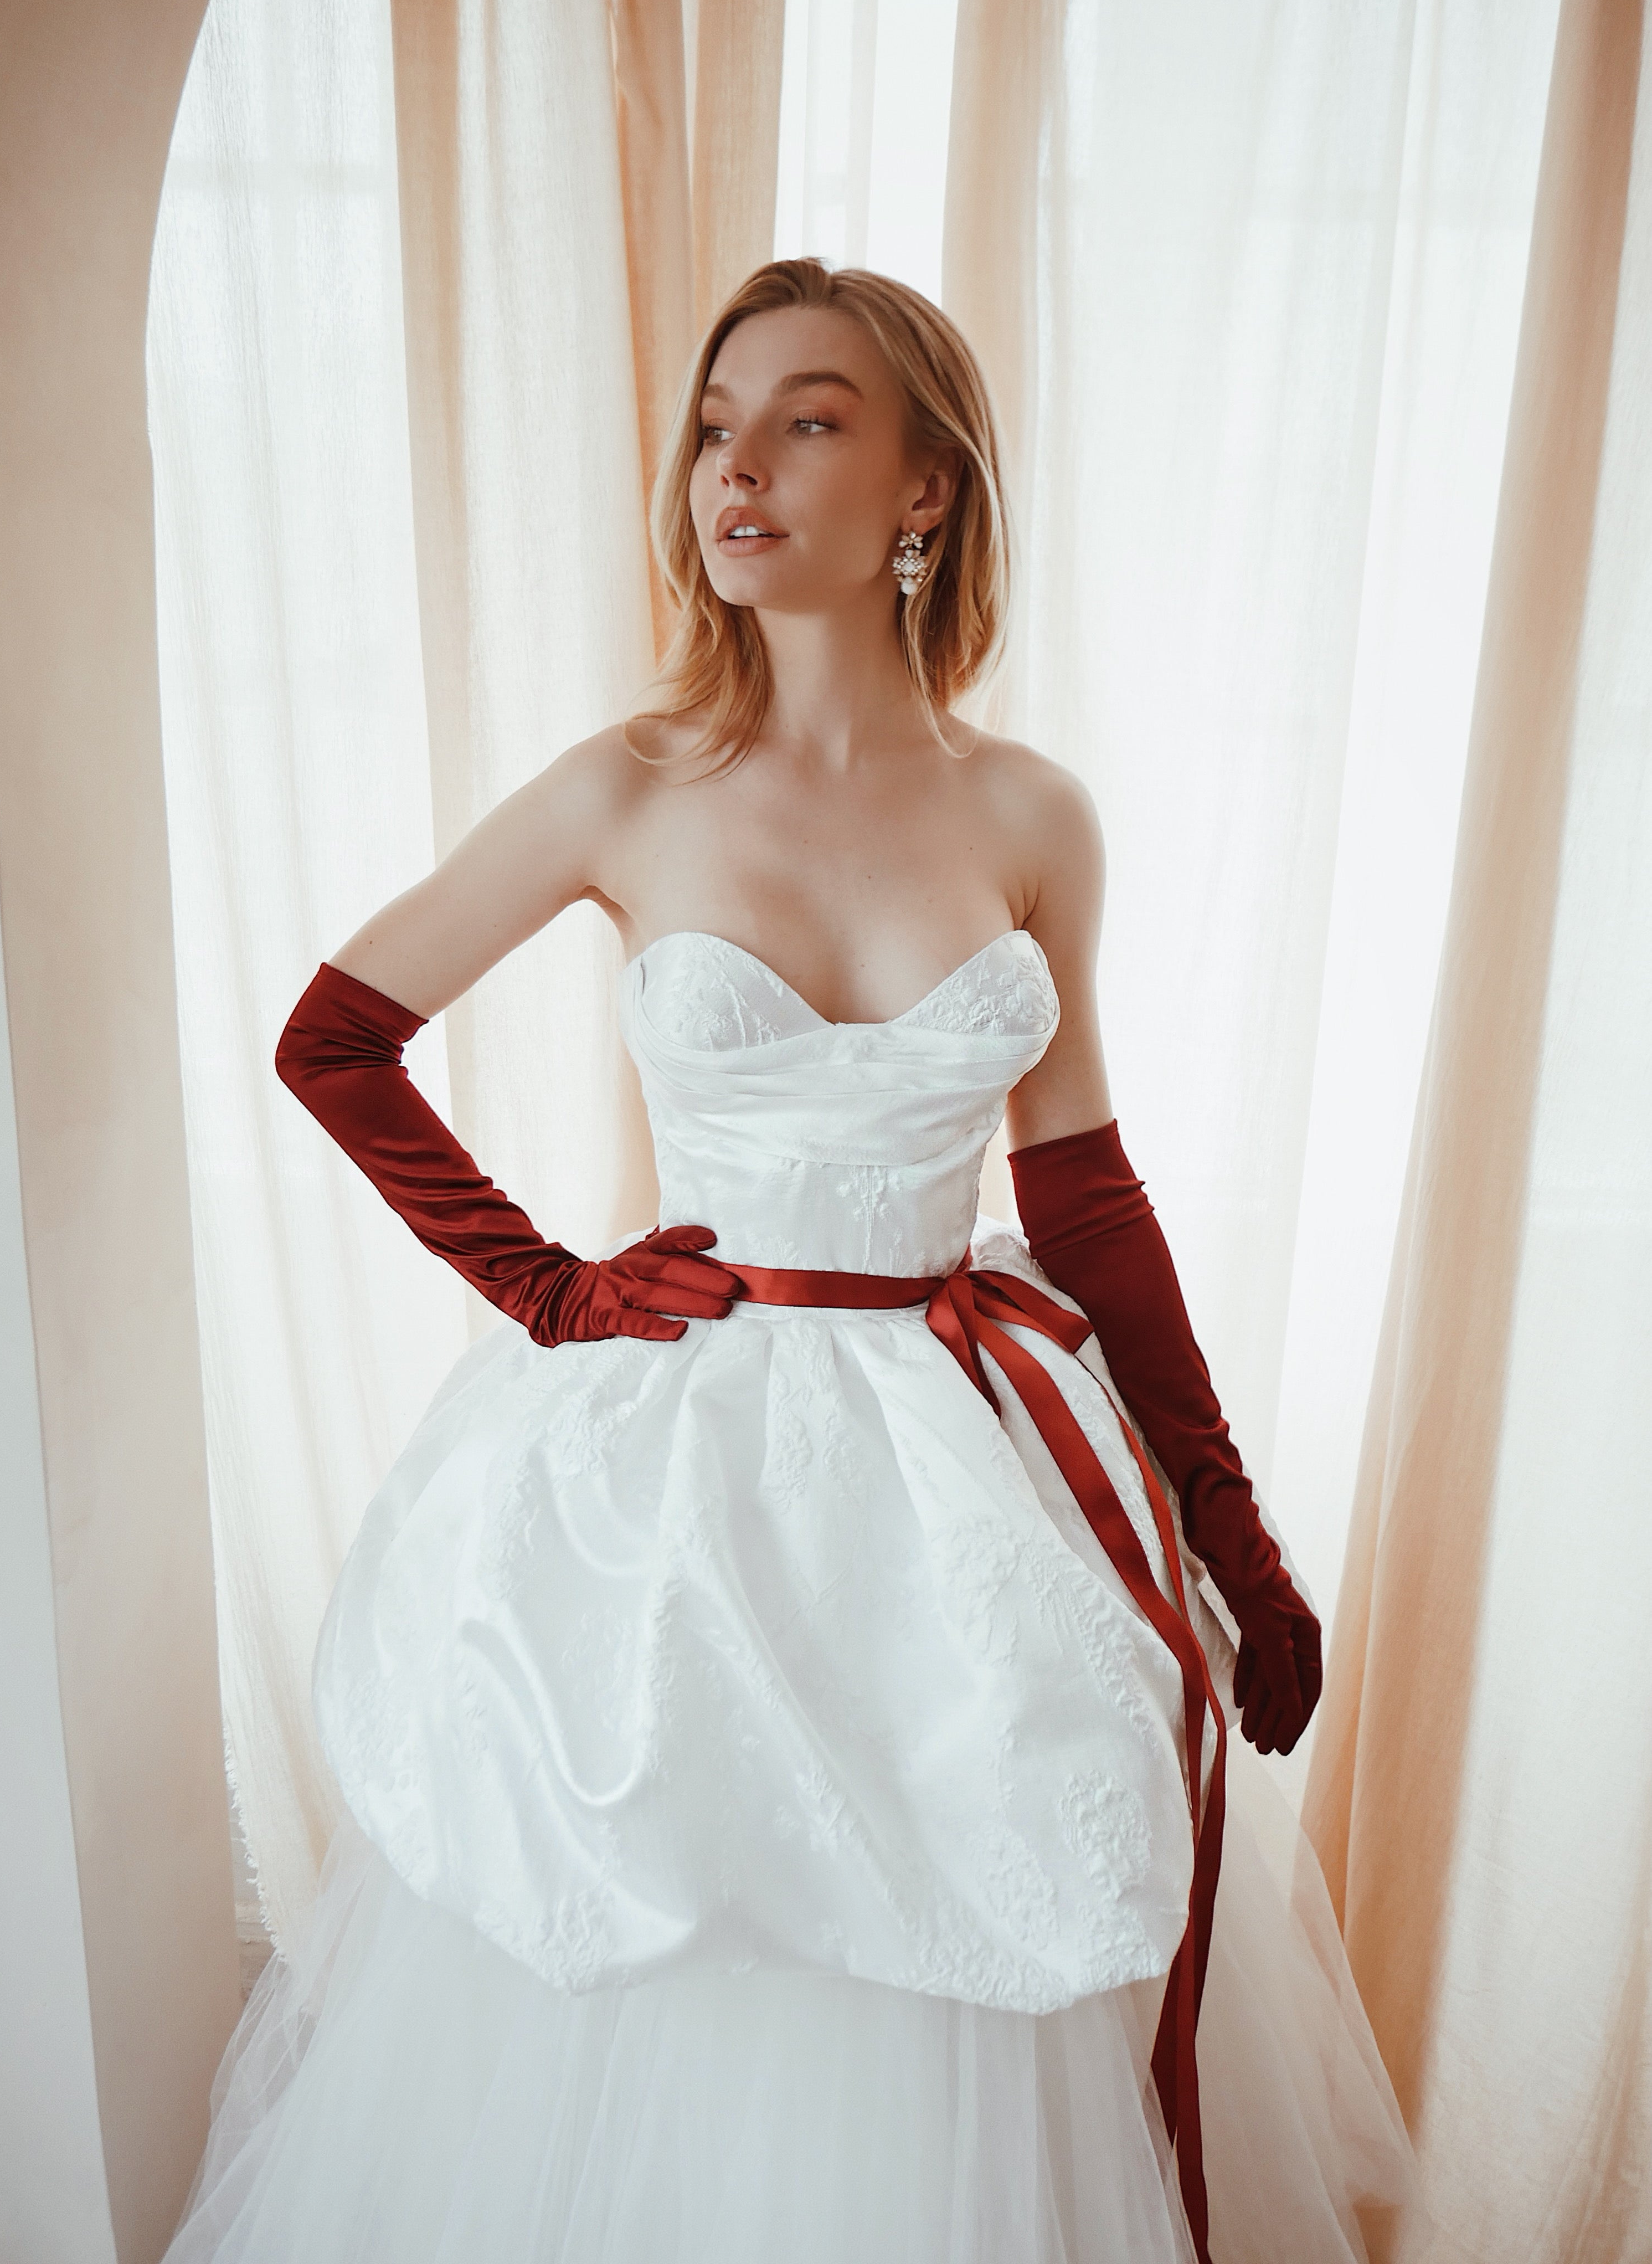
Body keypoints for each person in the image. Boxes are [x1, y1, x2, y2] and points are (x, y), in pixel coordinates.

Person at [164, 258, 1412, 2263]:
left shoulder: (1031, 815)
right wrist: (549, 1287)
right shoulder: (624, 787)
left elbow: (1084, 1196)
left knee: (958, 1904)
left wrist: (1230, 1533)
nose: (734, 470)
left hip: (957, 1464)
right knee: (672, 1895)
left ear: (925, 489)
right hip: (682, 1465)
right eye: (715, 427)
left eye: (807, 421)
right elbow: (335, 1038)